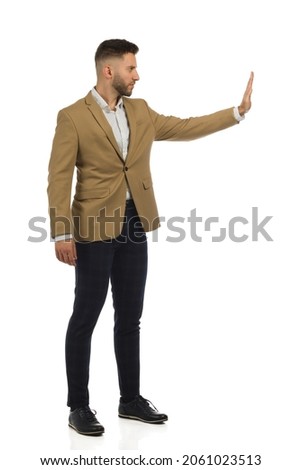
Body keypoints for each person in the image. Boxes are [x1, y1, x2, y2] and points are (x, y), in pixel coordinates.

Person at [47, 39, 254, 436]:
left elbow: (184, 127)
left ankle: (130, 400)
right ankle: (79, 406)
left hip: (134, 222)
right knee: (85, 317)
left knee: (130, 316)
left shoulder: (140, 111)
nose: (137, 75)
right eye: (131, 68)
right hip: (91, 227)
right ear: (109, 71)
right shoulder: (72, 116)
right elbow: (59, 177)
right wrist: (61, 232)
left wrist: (237, 113)